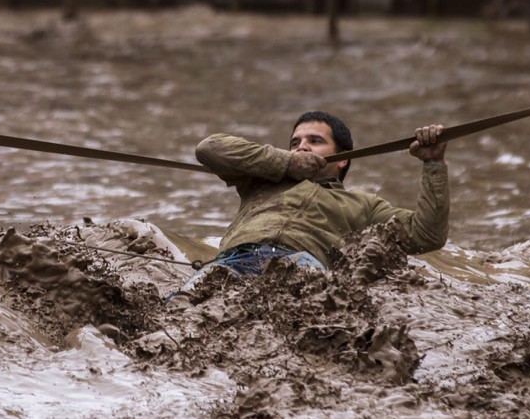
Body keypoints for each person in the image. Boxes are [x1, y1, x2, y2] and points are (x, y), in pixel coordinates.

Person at [178, 111, 449, 291]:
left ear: (343, 159)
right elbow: (209, 148)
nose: (301, 146)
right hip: (235, 258)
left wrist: (433, 163)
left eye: (315, 141)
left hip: (303, 266)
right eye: (295, 142)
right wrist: (286, 162)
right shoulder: (261, 179)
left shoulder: (364, 204)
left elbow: (427, 234)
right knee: (178, 311)